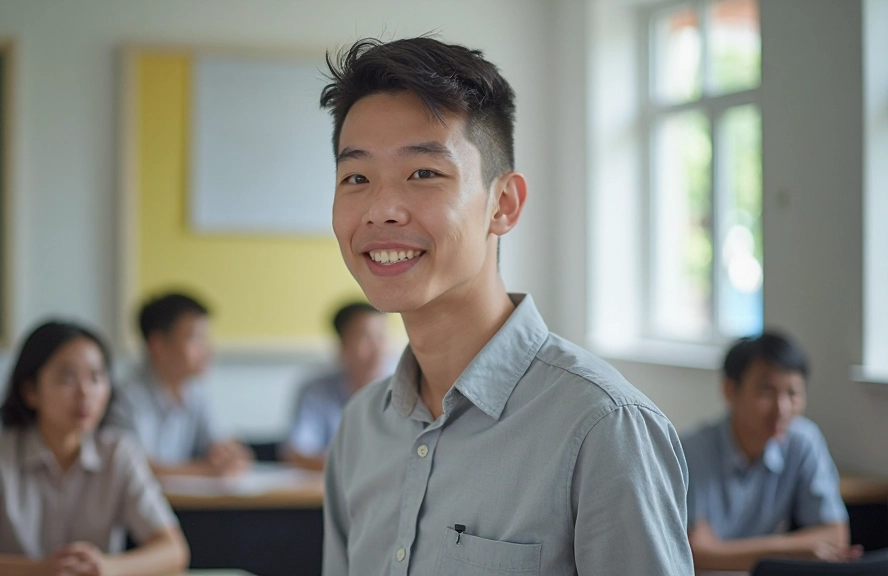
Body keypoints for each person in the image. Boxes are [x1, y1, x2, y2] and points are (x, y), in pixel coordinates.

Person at [318, 37, 694, 575]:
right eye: (356, 177)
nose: (381, 210)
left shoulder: (602, 428)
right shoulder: (360, 428)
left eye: (424, 173)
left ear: (504, 204)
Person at [0, 320, 189, 576]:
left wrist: (106, 568)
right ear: (30, 391)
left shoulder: (119, 453)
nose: (85, 393)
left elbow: (173, 550)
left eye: (96, 377)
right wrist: (37, 572)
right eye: (67, 378)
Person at [682, 332, 860, 571]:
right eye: (766, 391)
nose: (782, 409)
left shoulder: (803, 441)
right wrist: (793, 551)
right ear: (730, 390)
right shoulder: (691, 451)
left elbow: (835, 535)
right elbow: (696, 553)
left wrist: (725, 552)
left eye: (793, 393)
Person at [107, 293, 251, 477]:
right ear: (158, 345)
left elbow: (219, 440)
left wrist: (229, 453)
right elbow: (138, 468)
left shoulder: (196, 390)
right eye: (195, 338)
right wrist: (206, 471)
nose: (207, 349)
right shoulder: (126, 395)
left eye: (206, 338)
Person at [282, 301, 389, 470]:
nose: (378, 349)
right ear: (342, 345)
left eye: (381, 337)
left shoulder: (403, 389)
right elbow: (298, 452)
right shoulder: (316, 391)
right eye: (365, 338)